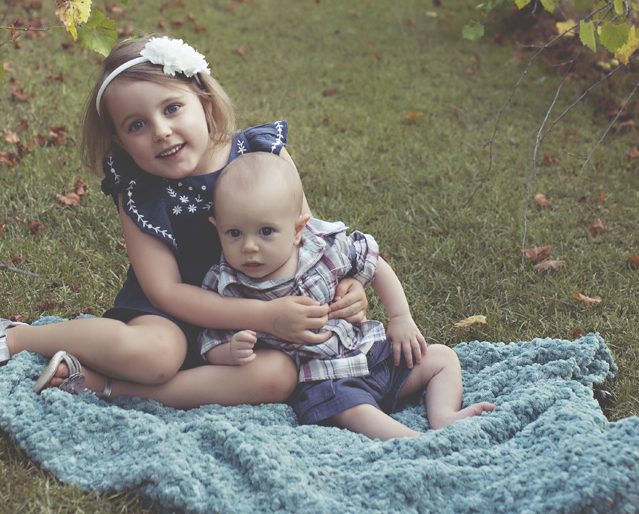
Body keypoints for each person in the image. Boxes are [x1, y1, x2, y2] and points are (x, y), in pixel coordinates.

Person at [0, 35, 369, 407]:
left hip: (259, 315)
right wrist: (267, 316)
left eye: (172, 108)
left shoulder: (263, 153)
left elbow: (307, 236)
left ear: (205, 101)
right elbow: (165, 290)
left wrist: (344, 289)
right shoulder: (139, 188)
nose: (160, 131)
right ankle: (14, 339)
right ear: (120, 139)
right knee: (154, 355)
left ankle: (105, 386)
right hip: (174, 315)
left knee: (277, 377)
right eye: (137, 125)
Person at [199, 152, 495, 440]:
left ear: (297, 229)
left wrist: (400, 317)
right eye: (234, 233)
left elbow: (374, 264)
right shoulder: (227, 284)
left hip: (370, 352)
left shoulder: (322, 249)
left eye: (266, 231)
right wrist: (232, 352)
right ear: (217, 229)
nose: (249, 247)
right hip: (322, 378)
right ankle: (413, 441)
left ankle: (443, 415)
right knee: (354, 410)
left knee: (442, 357)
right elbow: (212, 339)